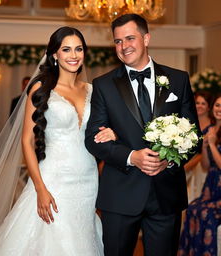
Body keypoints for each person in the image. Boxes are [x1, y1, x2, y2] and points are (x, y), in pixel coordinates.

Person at [0, 26, 116, 255]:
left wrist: (112, 133)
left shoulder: (93, 91)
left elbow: (100, 131)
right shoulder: (41, 87)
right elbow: (27, 141)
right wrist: (40, 188)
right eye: (66, 49)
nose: (73, 55)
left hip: (88, 179)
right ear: (55, 54)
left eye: (78, 49)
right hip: (53, 178)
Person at [85, 14, 201, 256]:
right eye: (117, 41)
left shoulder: (178, 79)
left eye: (130, 38)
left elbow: (193, 136)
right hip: (120, 194)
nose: (124, 46)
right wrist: (131, 156)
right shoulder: (103, 85)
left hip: (166, 194)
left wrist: (168, 159)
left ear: (146, 38)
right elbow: (92, 140)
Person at [178, 93, 221, 256]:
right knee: (192, 209)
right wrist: (204, 147)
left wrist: (212, 144)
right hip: (211, 184)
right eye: (217, 105)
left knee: (205, 214)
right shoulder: (210, 129)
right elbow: (206, 165)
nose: (219, 109)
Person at [184, 90, 212, 202]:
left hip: (201, 164)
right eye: (197, 103)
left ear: (209, 107)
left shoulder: (212, 127)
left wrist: (187, 166)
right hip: (186, 160)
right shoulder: (188, 123)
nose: (199, 106)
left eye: (203, 103)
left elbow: (203, 154)